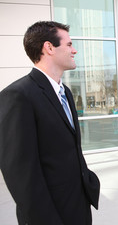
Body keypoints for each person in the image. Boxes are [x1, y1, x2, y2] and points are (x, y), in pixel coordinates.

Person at [0, 21, 100, 225]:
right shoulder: (18, 95)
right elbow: (20, 174)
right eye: (69, 44)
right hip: (49, 215)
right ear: (49, 47)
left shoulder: (66, 93)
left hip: (78, 207)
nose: (74, 50)